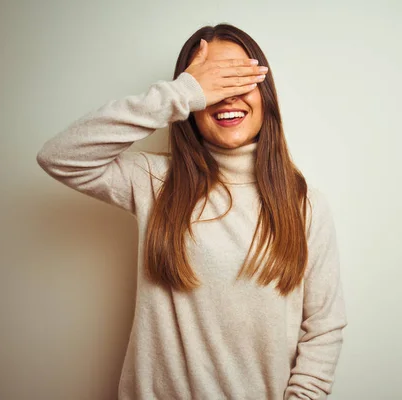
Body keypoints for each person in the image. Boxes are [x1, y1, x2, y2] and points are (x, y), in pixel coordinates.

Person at [36, 23, 347, 400]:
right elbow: (60, 156)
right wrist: (183, 92)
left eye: (238, 79)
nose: (226, 96)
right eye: (213, 83)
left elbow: (324, 327)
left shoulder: (305, 204)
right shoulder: (154, 180)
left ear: (266, 93)